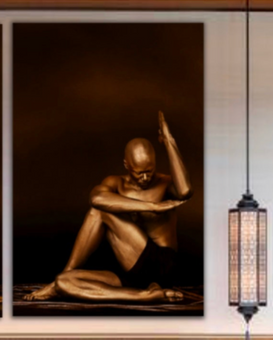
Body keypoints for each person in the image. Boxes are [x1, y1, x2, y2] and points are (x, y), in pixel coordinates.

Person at [25, 111, 191, 304]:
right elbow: (96, 198)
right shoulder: (116, 183)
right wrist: (152, 206)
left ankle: (62, 277)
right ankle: (143, 296)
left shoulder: (164, 182)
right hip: (130, 273)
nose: (145, 178)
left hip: (160, 266)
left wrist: (169, 141)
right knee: (65, 283)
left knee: (102, 212)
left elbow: (186, 191)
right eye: (139, 173)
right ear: (126, 165)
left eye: (149, 171)